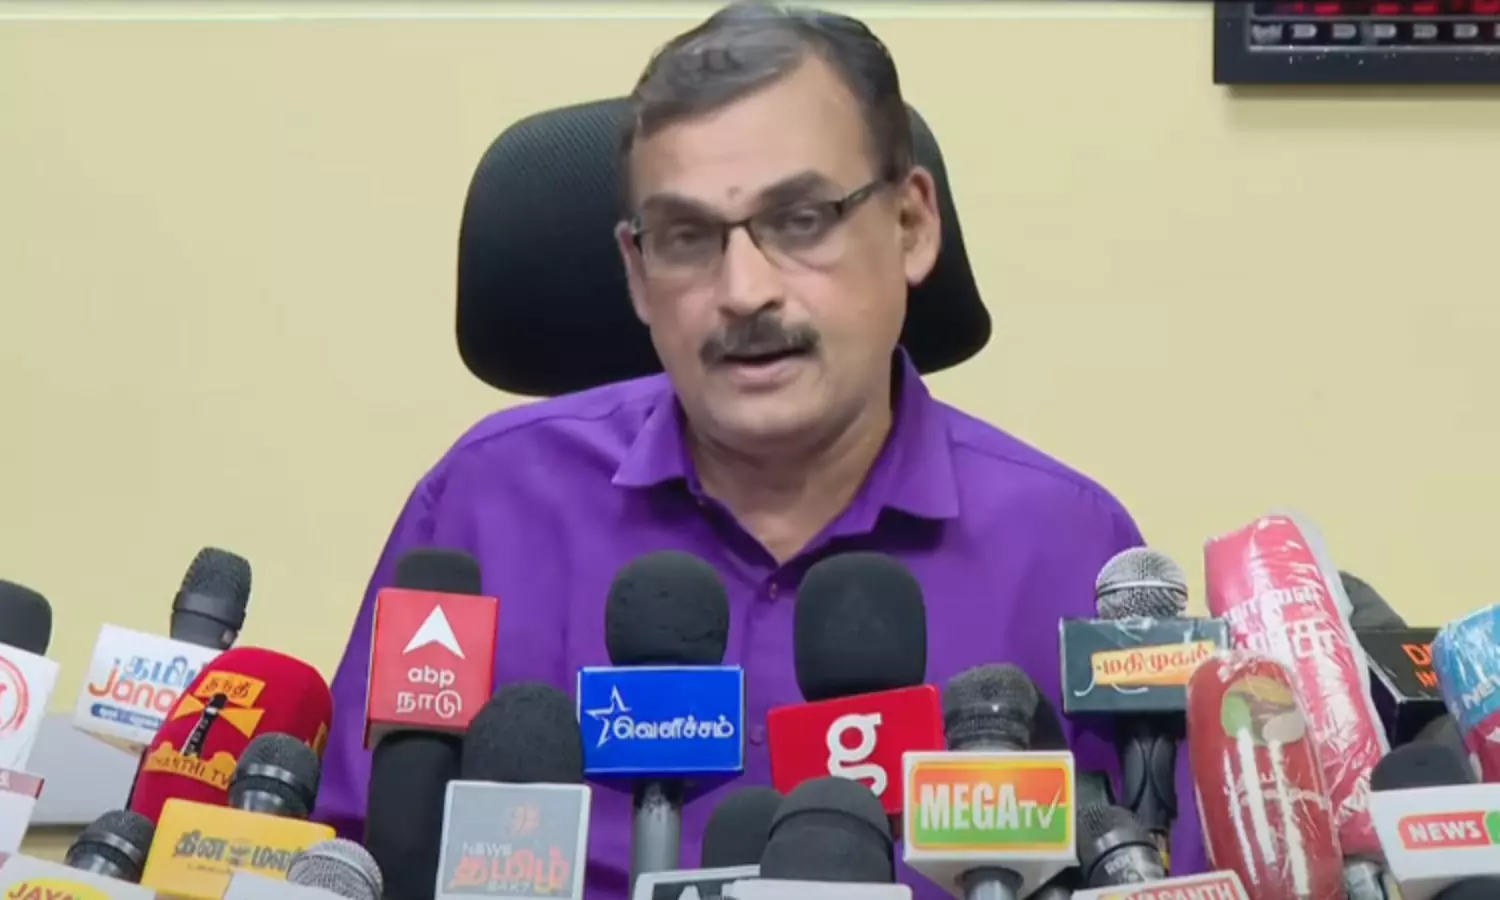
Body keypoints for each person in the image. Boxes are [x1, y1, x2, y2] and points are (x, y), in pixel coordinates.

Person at [314, 2, 1206, 896]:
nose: (744, 291)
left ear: (910, 225)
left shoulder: (1067, 548)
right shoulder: (484, 509)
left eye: (802, 219)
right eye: (686, 238)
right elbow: (352, 860)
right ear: (636, 272)